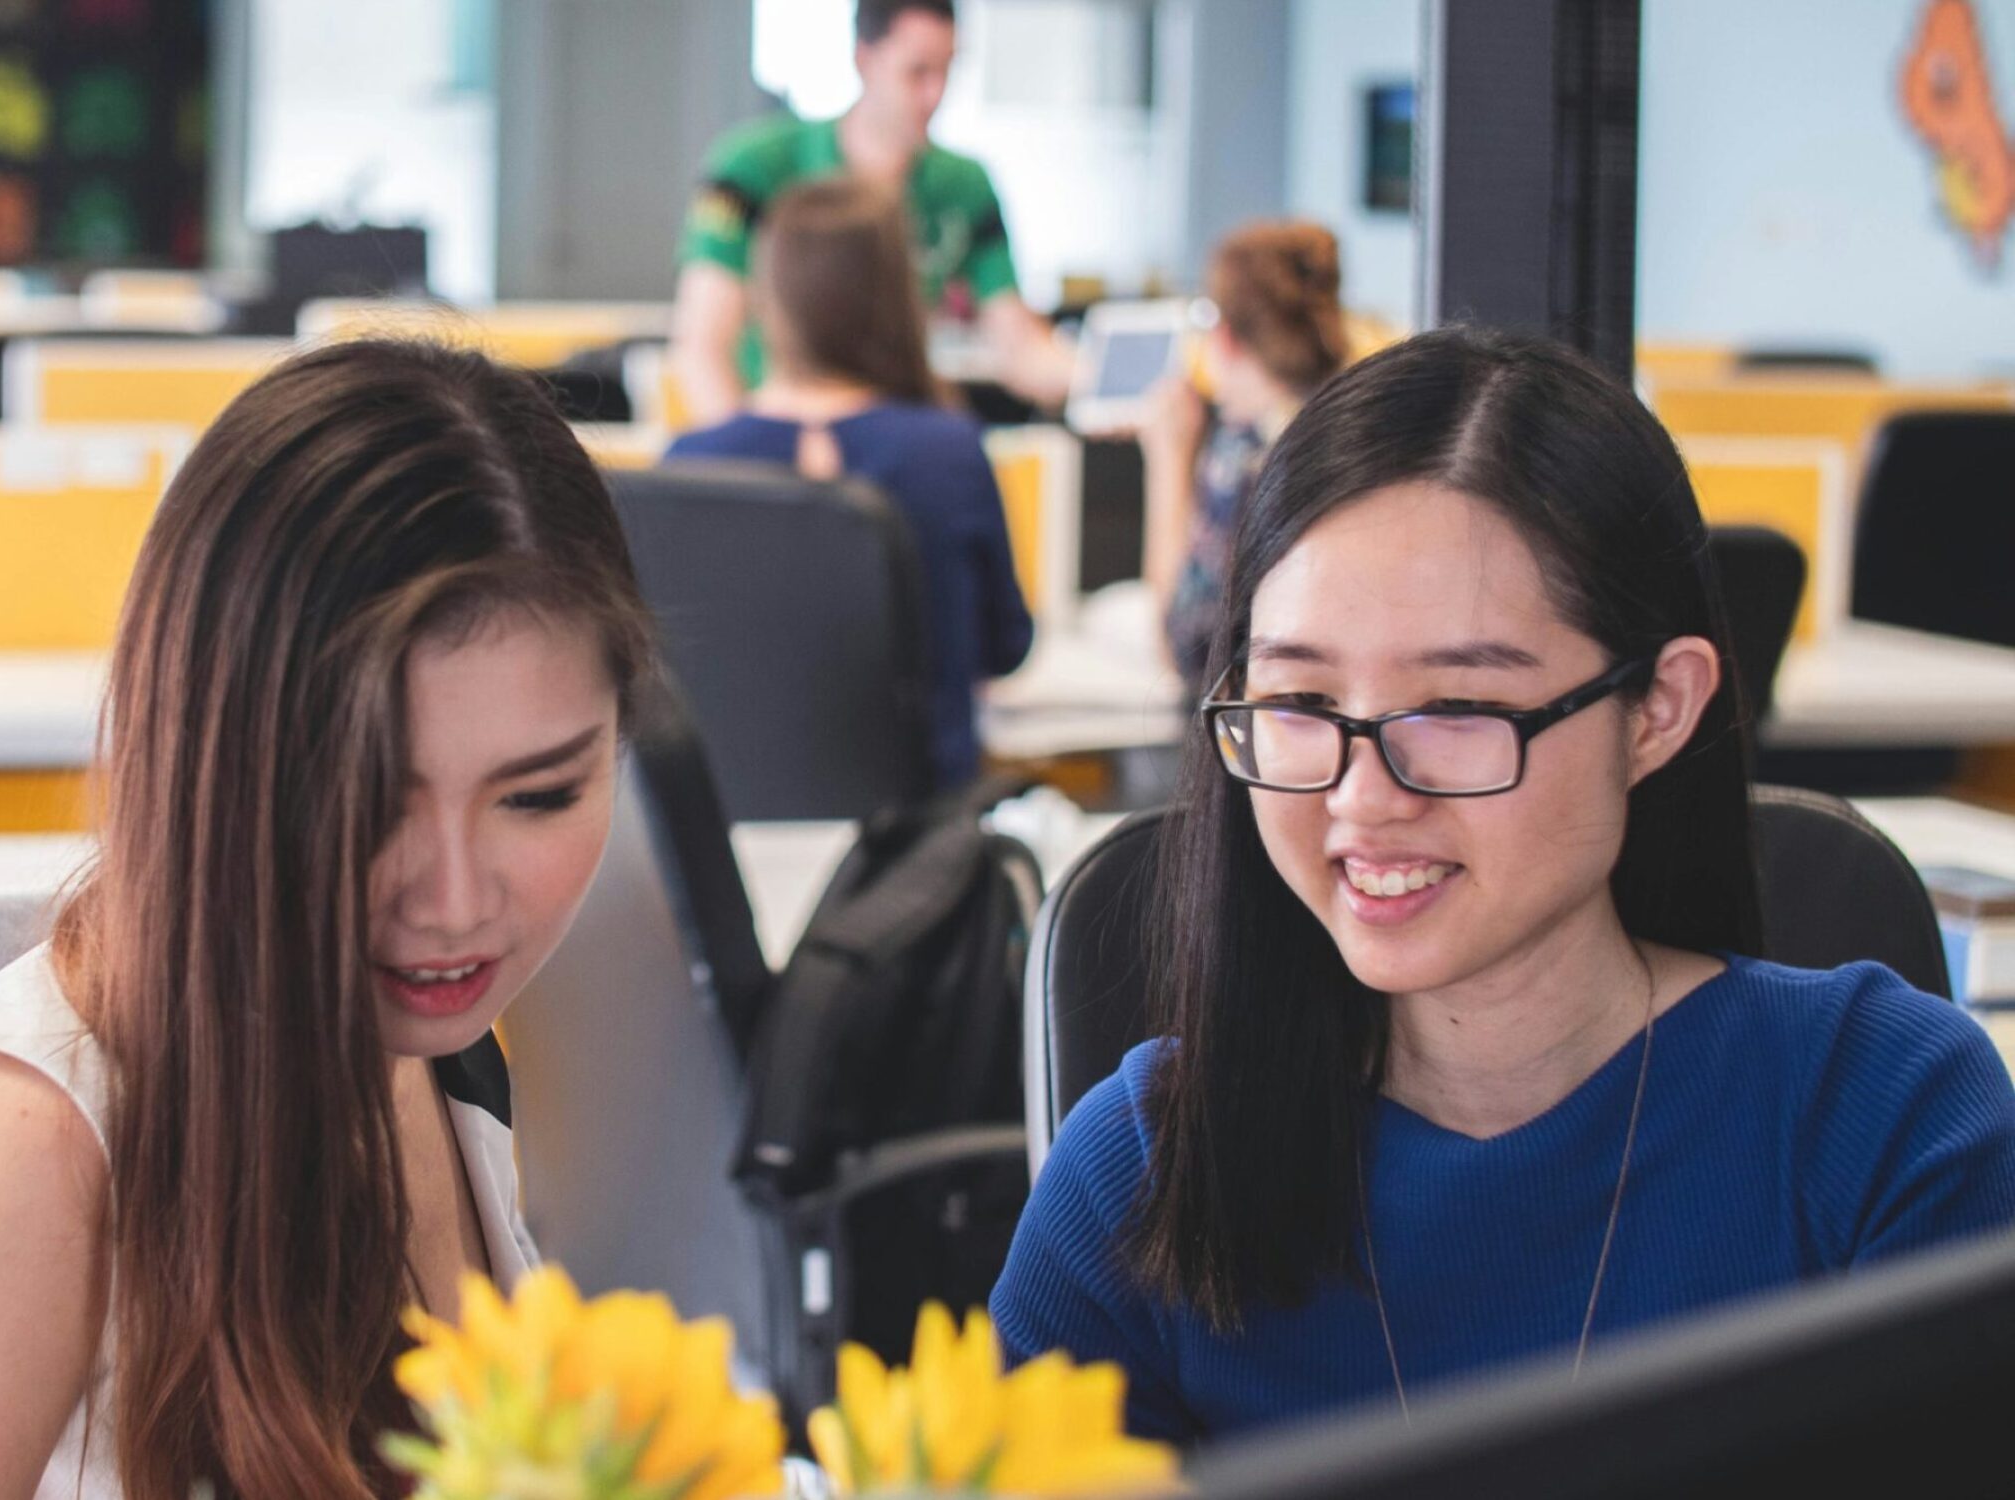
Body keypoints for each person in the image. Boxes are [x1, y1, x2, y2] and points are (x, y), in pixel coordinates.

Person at [992, 327, 2015, 1445]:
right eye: (1300, 703)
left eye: (1459, 710)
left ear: (1657, 710)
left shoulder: (1880, 1114)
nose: (1365, 796)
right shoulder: (1142, 1166)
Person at [0, 341, 655, 1499]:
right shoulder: (24, 1150)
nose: (454, 901)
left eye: (540, 795)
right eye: (367, 799)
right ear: (216, 766)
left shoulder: (430, 1050)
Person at [666, 175, 1032, 789]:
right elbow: (1004, 647)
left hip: (732, 835)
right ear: (899, 302)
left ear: (768, 299)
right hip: (919, 843)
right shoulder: (950, 452)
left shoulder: (689, 465)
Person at [668, 0, 1074, 430]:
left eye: (947, 70)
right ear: (864, 59)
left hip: (895, 436)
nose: (934, 94)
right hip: (776, 427)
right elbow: (703, 346)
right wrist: (754, 467)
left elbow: (1021, 348)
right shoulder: (753, 166)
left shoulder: (965, 186)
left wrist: (1111, 384)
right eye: (916, 72)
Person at [1141, 220, 1347, 690]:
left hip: (1243, 740)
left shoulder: (1244, 454)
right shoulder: (1356, 429)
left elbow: (1184, 648)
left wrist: (1168, 461)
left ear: (1226, 337)